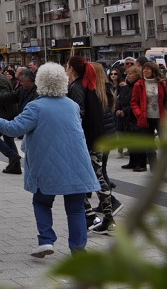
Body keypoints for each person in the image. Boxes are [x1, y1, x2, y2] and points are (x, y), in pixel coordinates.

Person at [0, 62, 100, 257]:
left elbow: (14, 128)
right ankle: (78, 249)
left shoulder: (35, 107)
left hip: (47, 164)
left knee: (42, 201)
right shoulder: (72, 106)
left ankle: (46, 240)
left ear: (40, 82)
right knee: (76, 208)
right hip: (77, 163)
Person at [65, 56, 116, 234]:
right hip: (95, 137)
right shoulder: (89, 85)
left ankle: (90, 216)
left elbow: (78, 113)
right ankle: (107, 219)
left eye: (67, 65)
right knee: (97, 175)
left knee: (82, 177)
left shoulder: (78, 86)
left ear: (71, 68)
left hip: (84, 140)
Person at [130, 61, 165, 173]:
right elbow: (134, 102)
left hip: (161, 118)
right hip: (145, 118)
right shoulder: (139, 84)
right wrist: (139, 113)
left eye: (148, 69)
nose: (145, 71)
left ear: (154, 71)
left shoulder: (162, 84)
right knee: (149, 146)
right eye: (144, 69)